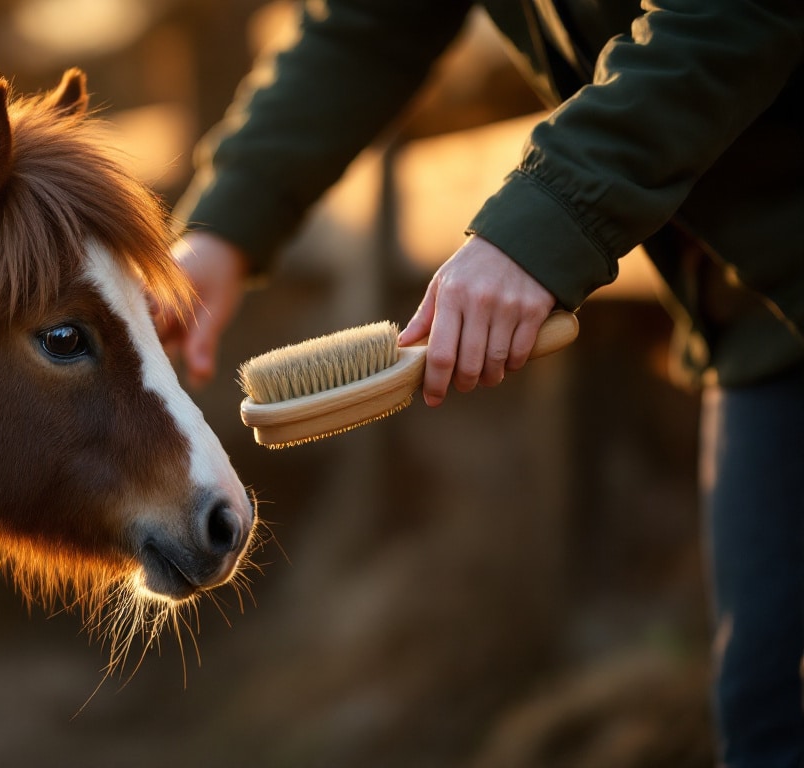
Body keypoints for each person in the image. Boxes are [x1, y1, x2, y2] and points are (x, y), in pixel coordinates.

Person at [157, 1, 804, 766]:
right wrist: (225, 227)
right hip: (757, 323)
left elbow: (732, 13)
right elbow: (372, 24)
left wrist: (546, 221)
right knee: (767, 719)